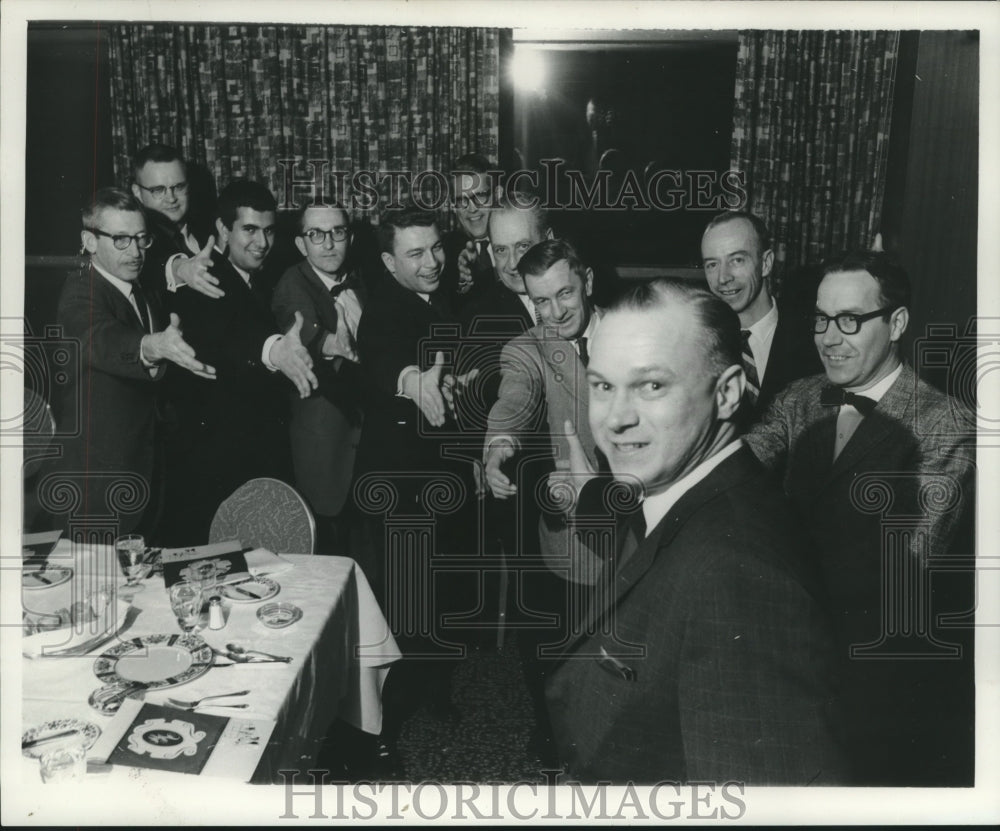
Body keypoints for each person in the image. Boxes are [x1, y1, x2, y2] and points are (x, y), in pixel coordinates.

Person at [545, 277, 846, 784]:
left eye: (652, 385)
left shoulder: (737, 576)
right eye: (602, 386)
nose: (615, 419)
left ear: (727, 392)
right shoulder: (694, 490)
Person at [745, 250, 975, 785]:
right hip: (786, 648)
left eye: (850, 320)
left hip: (871, 670)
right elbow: (736, 468)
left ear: (896, 323)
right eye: (822, 319)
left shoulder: (946, 424)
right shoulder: (800, 398)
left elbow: (907, 571)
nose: (829, 337)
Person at [355, 207, 479, 773]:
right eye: (415, 254)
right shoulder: (382, 309)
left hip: (441, 479)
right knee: (400, 606)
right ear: (389, 262)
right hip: (401, 490)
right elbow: (386, 360)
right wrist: (413, 383)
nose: (431, 262)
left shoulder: (441, 296)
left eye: (435, 249)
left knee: (436, 596)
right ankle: (381, 730)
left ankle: (429, 690)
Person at [482, 238, 601, 767]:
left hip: (644, 527)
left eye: (564, 295)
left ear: (588, 281)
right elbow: (515, 399)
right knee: (564, 652)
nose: (553, 313)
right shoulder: (526, 349)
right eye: (540, 303)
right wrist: (497, 450)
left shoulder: (635, 330)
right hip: (575, 538)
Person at [53, 188, 215, 535]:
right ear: (90, 241)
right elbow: (97, 337)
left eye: (142, 239)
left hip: (147, 472)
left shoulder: (141, 288)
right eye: (122, 239)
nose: (136, 251)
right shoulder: (80, 290)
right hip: (98, 484)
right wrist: (150, 346)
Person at [163, 180, 317, 545]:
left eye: (267, 231)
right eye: (249, 230)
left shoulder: (258, 278)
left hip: (251, 461)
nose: (261, 243)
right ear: (221, 230)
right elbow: (229, 333)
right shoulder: (205, 280)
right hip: (214, 468)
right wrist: (274, 350)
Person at [272, 203, 366, 554]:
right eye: (316, 234)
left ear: (349, 237)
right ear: (301, 244)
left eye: (337, 232)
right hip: (324, 451)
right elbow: (298, 324)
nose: (328, 243)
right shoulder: (292, 282)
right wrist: (331, 344)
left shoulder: (360, 279)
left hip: (364, 446)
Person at [701, 210, 821, 420]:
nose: (723, 278)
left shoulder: (814, 338)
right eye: (712, 264)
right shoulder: (700, 344)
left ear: (765, 263)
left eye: (736, 260)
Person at [130, 143, 220, 302]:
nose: (171, 198)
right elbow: (149, 268)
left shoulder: (209, 230)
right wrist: (181, 269)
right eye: (158, 190)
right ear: (137, 192)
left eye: (178, 187)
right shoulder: (135, 240)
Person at [440, 153, 496, 307]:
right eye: (461, 200)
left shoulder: (520, 240)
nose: (472, 208)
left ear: (497, 195)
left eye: (480, 196)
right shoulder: (442, 252)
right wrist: (461, 283)